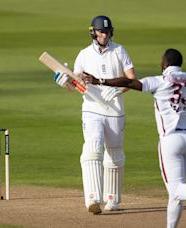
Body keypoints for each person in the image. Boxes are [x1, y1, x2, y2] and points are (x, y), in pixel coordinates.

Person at [82, 48, 186, 226]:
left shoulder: (160, 81)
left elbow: (130, 82)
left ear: (164, 64)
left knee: (176, 189)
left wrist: (100, 80)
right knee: (176, 192)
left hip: (170, 141)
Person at [53, 15, 136, 214]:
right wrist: (65, 81)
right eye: (101, 32)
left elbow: (132, 79)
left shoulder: (119, 50)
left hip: (115, 110)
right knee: (92, 147)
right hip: (91, 108)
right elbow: (76, 82)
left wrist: (118, 89)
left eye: (107, 32)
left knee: (115, 153)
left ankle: (112, 200)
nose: (104, 35)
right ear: (93, 32)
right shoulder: (83, 55)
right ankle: (92, 198)